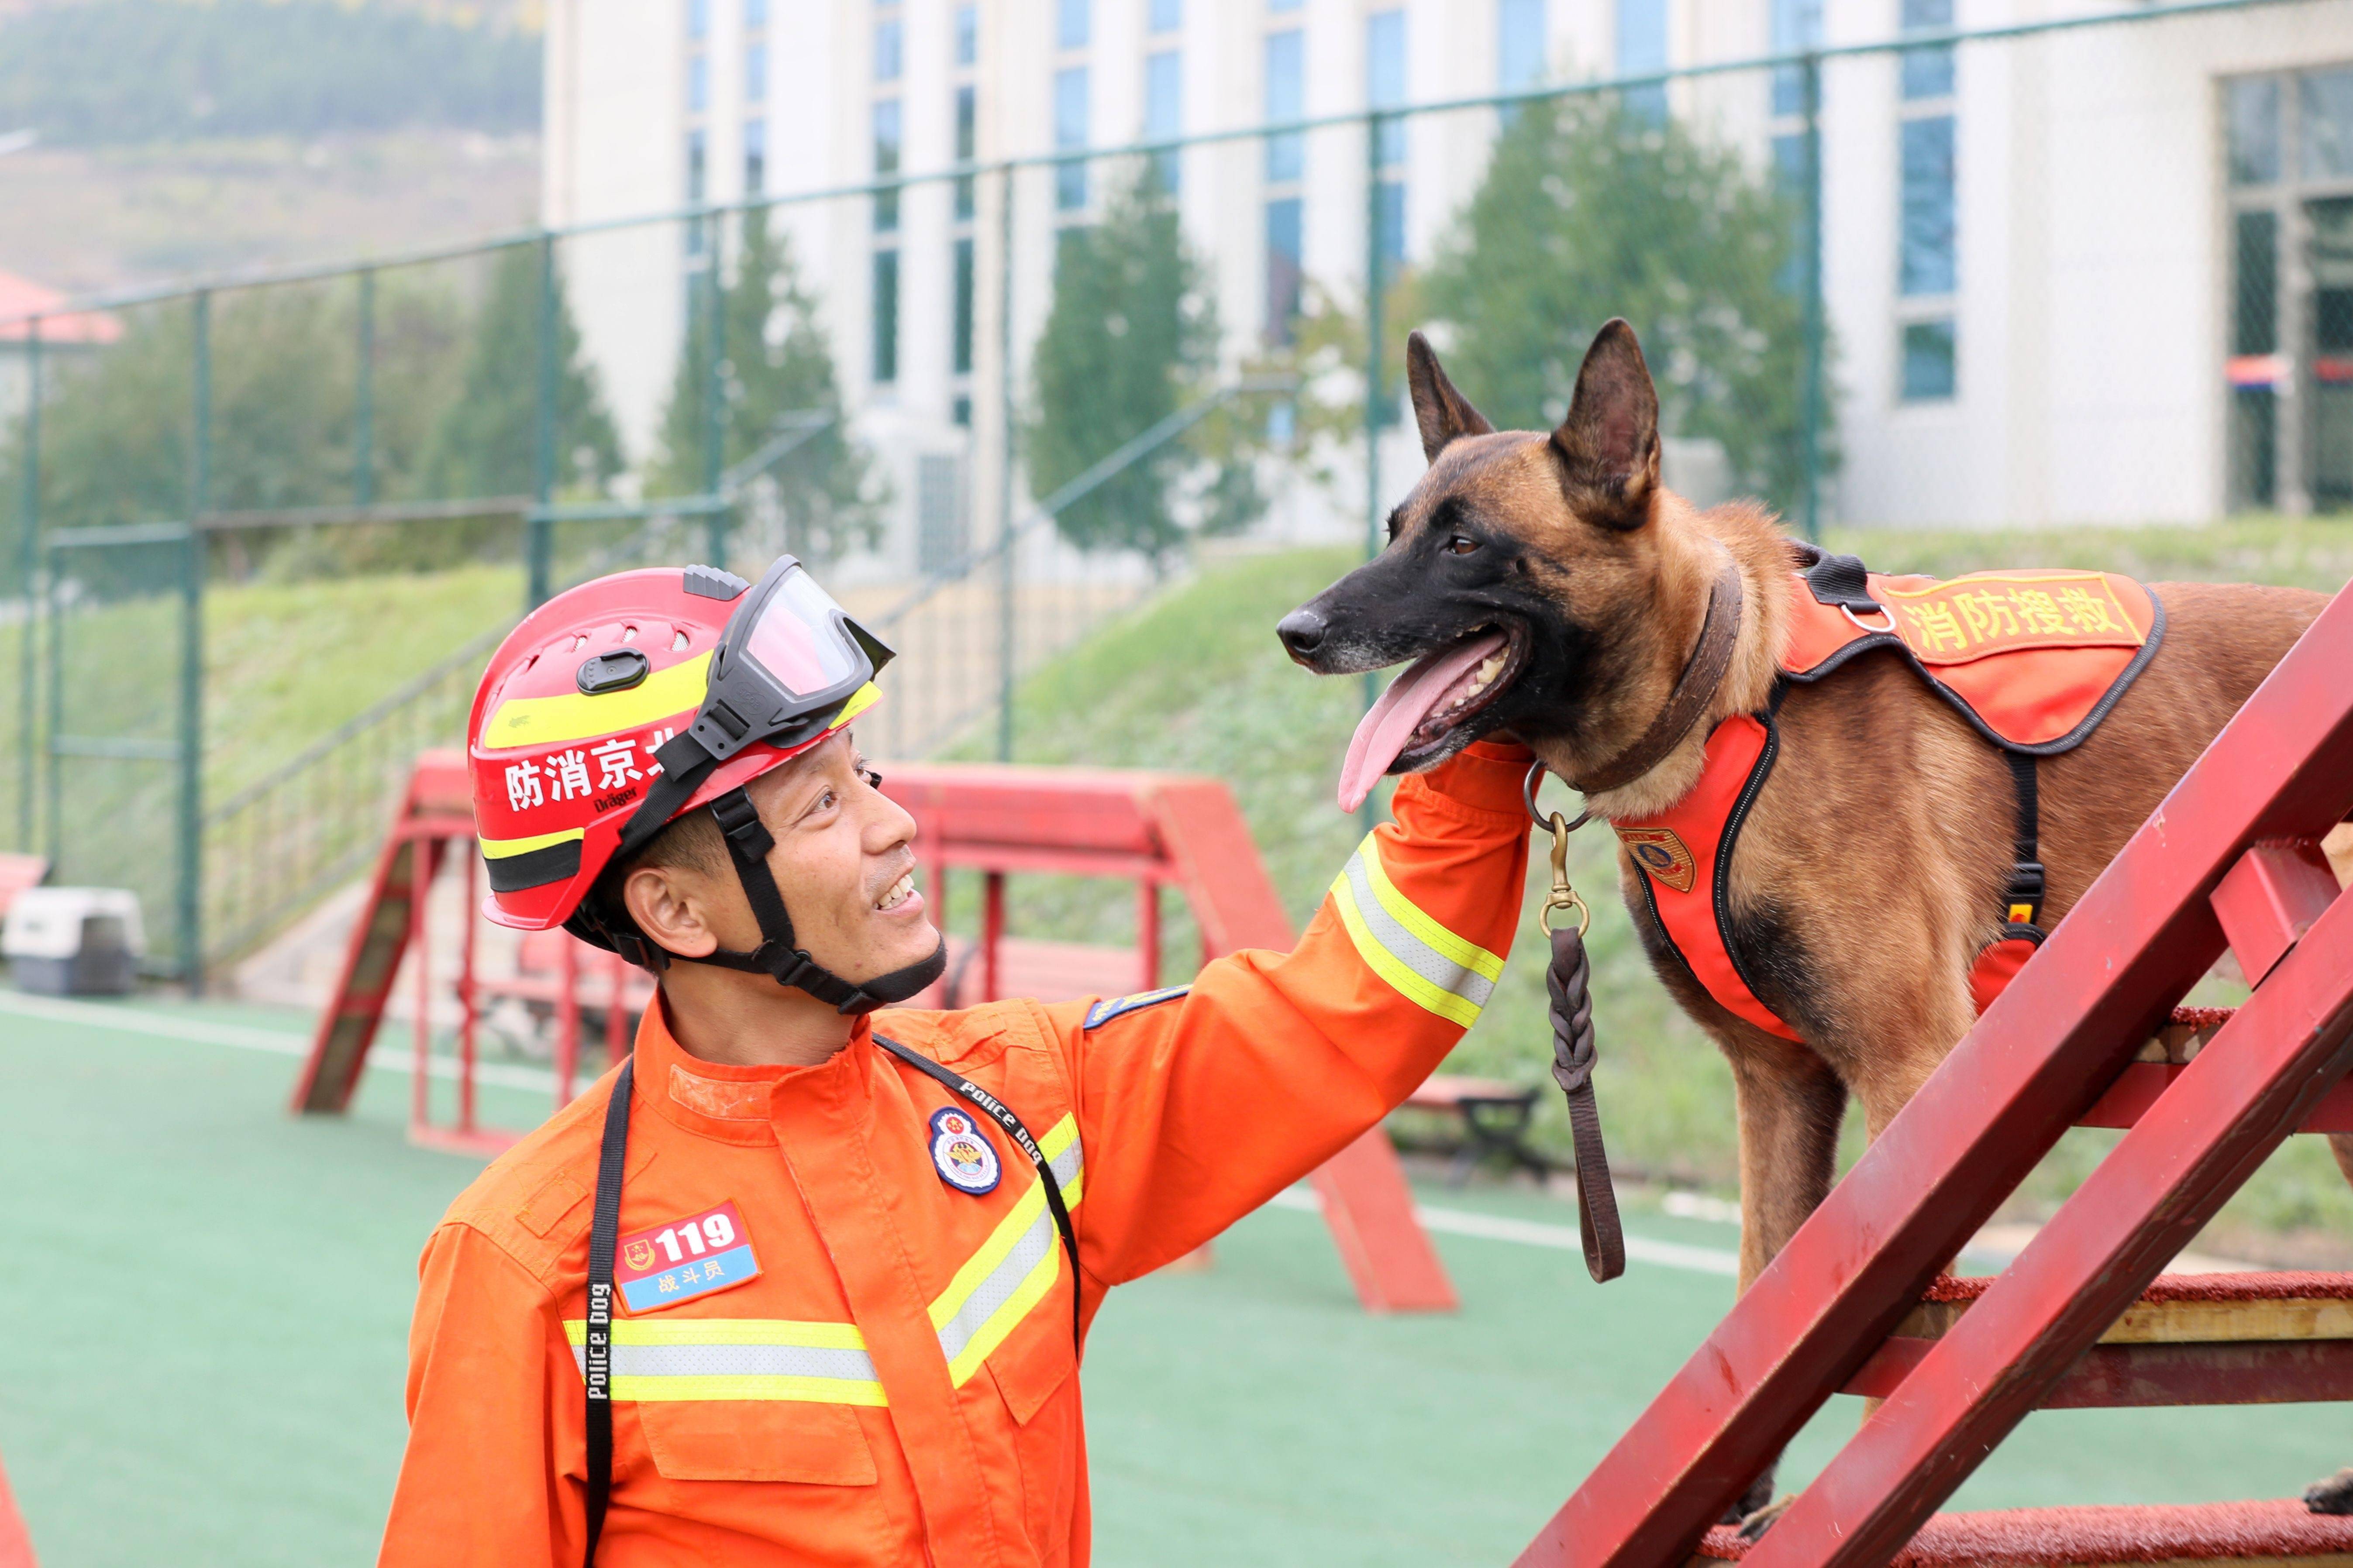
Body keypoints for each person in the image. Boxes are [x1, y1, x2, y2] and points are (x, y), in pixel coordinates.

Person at [376, 557, 1532, 1567]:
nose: (893, 825)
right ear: (674, 909)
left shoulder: (1025, 1103)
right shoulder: (528, 1264)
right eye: (818, 805)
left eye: (861, 774)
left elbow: (1349, 1012)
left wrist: (1477, 735)